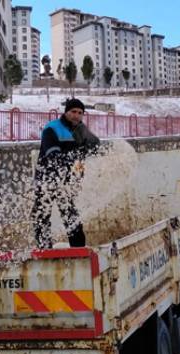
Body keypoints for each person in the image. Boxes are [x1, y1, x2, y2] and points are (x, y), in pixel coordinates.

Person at [32, 98, 103, 249]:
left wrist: (87, 148)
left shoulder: (81, 130)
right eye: (73, 112)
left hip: (66, 182)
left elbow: (96, 147)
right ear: (66, 112)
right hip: (46, 179)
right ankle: (44, 249)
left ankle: (78, 249)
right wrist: (76, 153)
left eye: (80, 113)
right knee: (41, 214)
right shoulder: (52, 129)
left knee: (70, 215)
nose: (76, 115)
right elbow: (53, 155)